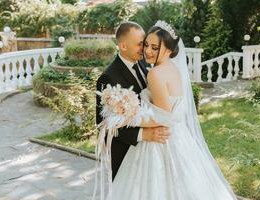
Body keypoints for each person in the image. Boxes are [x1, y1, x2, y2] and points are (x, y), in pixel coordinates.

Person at [107, 20, 238, 199]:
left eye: (154, 47)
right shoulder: (173, 68)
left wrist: (127, 117)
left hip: (161, 142)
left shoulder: (154, 73)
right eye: (146, 45)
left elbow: (164, 116)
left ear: (169, 49)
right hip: (179, 138)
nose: (147, 51)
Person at [96, 21, 170, 180]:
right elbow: (104, 125)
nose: (145, 49)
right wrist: (143, 134)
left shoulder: (144, 63)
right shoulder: (109, 77)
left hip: (150, 153)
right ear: (123, 46)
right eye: (140, 44)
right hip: (125, 154)